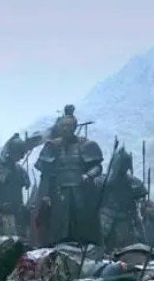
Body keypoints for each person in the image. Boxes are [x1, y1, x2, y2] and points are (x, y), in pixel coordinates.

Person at [34, 105, 103, 246]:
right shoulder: (52, 146)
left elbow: (97, 166)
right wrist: (45, 194)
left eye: (69, 126)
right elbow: (46, 174)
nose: (65, 129)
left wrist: (88, 175)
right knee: (58, 224)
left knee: (81, 224)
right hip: (58, 192)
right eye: (63, 126)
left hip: (81, 192)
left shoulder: (86, 145)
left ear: (74, 127)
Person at [0, 133, 35, 242]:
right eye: (18, 153)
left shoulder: (19, 170)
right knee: (0, 242)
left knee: (16, 241)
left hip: (15, 212)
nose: (21, 156)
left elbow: (24, 186)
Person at [98, 148, 147, 250]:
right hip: (106, 219)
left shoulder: (133, 183)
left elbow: (139, 198)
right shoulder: (105, 181)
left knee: (129, 247)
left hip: (125, 221)